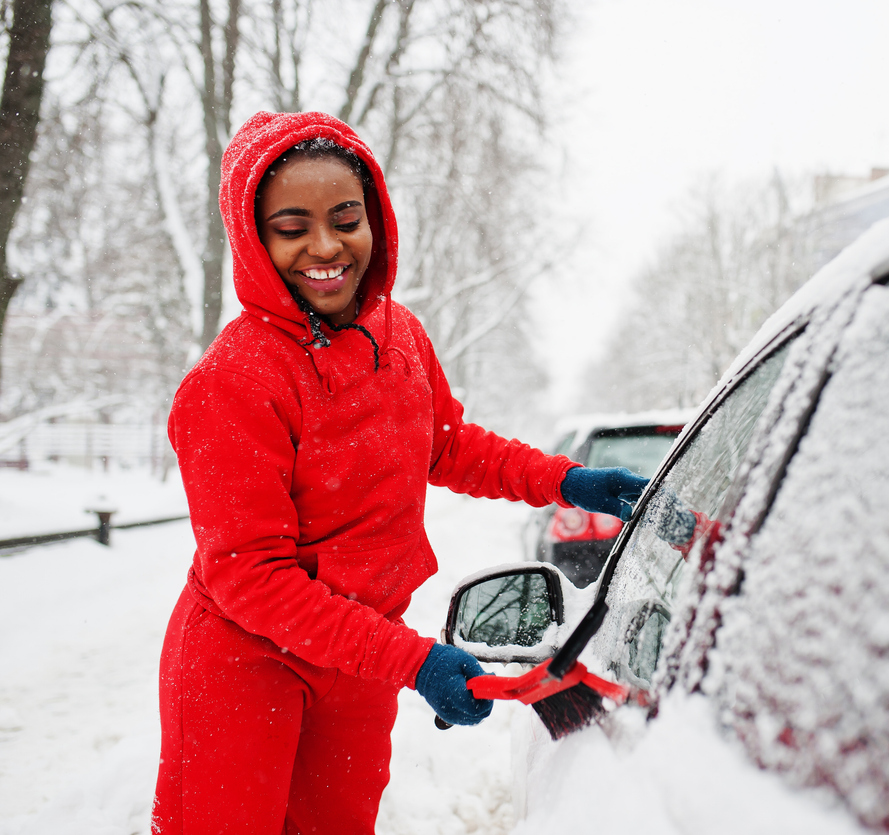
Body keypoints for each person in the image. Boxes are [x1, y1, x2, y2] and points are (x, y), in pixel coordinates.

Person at [151, 111, 648, 835]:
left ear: (374, 218)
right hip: (247, 660)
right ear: (254, 239)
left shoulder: (400, 334)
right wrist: (413, 661)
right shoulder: (232, 382)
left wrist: (565, 482)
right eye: (292, 227)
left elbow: (447, 444)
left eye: (344, 218)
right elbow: (250, 576)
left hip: (355, 657)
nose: (325, 246)